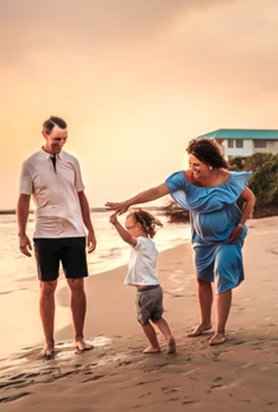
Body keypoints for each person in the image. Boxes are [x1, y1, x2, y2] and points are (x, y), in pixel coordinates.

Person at [106, 137, 255, 346]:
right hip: (202, 240)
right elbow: (157, 191)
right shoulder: (183, 179)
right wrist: (130, 202)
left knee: (222, 275)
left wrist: (239, 226)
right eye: (190, 164)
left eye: (197, 165)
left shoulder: (227, 179)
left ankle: (220, 330)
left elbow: (250, 199)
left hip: (228, 237)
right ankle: (205, 322)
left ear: (209, 163)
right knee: (202, 279)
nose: (192, 169)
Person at [17, 116, 97, 358]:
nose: (60, 143)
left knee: (77, 285)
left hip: (73, 231)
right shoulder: (30, 164)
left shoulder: (72, 162)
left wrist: (90, 229)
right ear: (44, 134)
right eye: (56, 139)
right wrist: (21, 233)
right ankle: (49, 343)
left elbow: (81, 196)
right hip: (45, 234)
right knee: (48, 287)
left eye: (64, 139)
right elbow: (22, 199)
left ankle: (79, 338)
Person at [109, 209, 177, 354]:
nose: (128, 231)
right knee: (157, 317)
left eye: (129, 228)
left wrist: (116, 224)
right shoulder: (151, 245)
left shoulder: (140, 243)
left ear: (138, 226)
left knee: (144, 320)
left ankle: (155, 346)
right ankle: (169, 337)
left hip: (145, 292)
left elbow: (128, 239)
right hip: (156, 289)